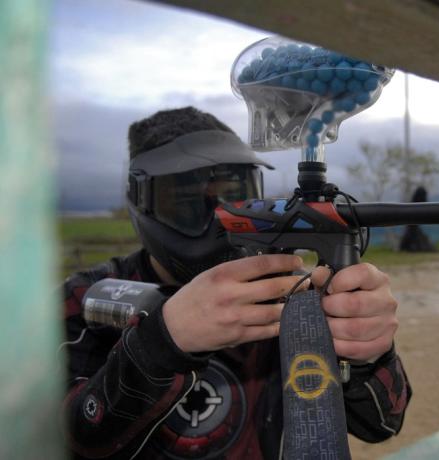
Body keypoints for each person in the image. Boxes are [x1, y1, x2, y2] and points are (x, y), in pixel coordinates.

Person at [61, 107, 411, 459]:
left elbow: (380, 424)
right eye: (187, 201)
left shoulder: (289, 296)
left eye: (235, 193)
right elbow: (57, 439)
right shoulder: (82, 298)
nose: (220, 220)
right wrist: (160, 344)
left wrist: (367, 352)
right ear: (140, 202)